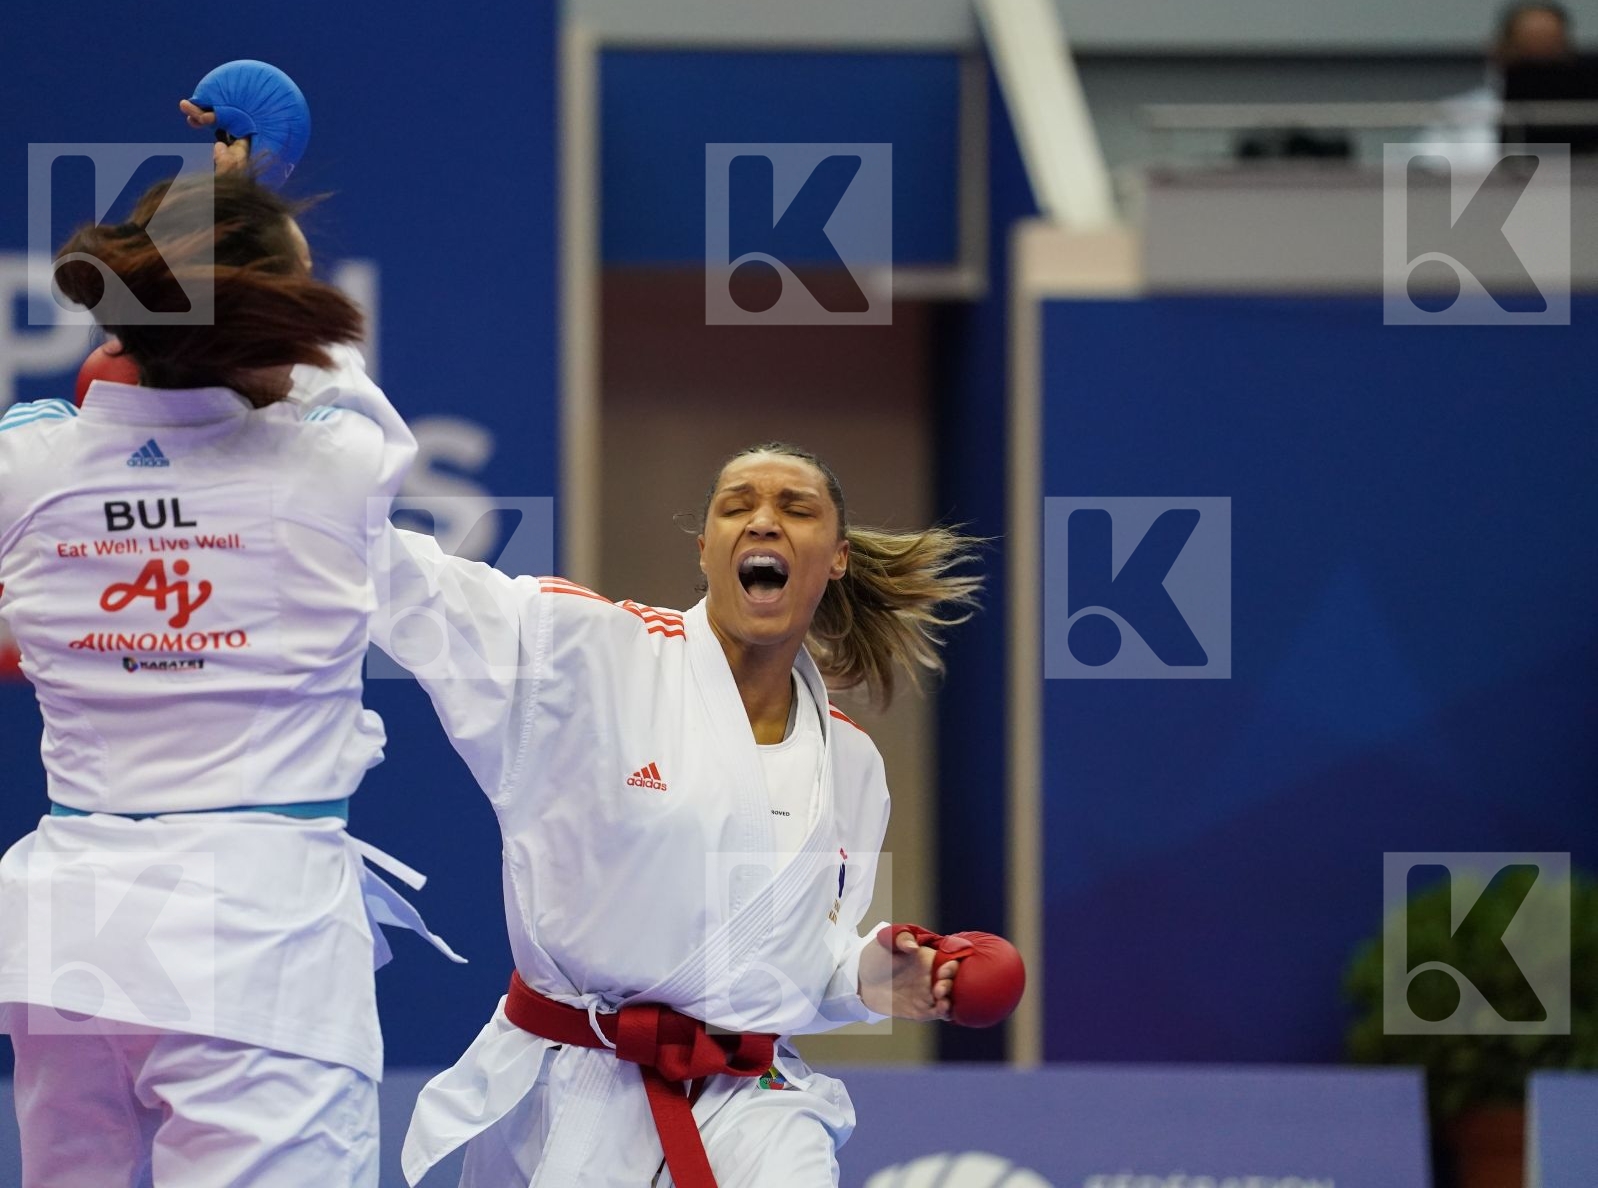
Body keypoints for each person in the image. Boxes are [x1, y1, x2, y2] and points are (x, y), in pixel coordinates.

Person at [321, 379, 991, 1184]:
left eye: (797, 507)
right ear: (705, 548)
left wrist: (872, 979)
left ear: (838, 556)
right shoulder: (588, 654)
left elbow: (796, 967)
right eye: (737, 504)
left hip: (752, 1099)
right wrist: (291, 460)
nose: (764, 518)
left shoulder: (852, 765)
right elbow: (413, 586)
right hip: (572, 1089)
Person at [0, 173, 458, 1187]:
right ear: (279, 312)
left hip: (65, 939)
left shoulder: (26, 464)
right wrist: (237, 209)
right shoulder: (339, 463)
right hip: (255, 939)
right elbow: (318, 366)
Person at [1415, 0, 1575, 163]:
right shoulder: (1456, 118)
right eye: (1526, 50)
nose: (1539, 63)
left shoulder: (1586, 117)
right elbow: (1422, 174)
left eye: (1549, 50)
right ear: (1499, 50)